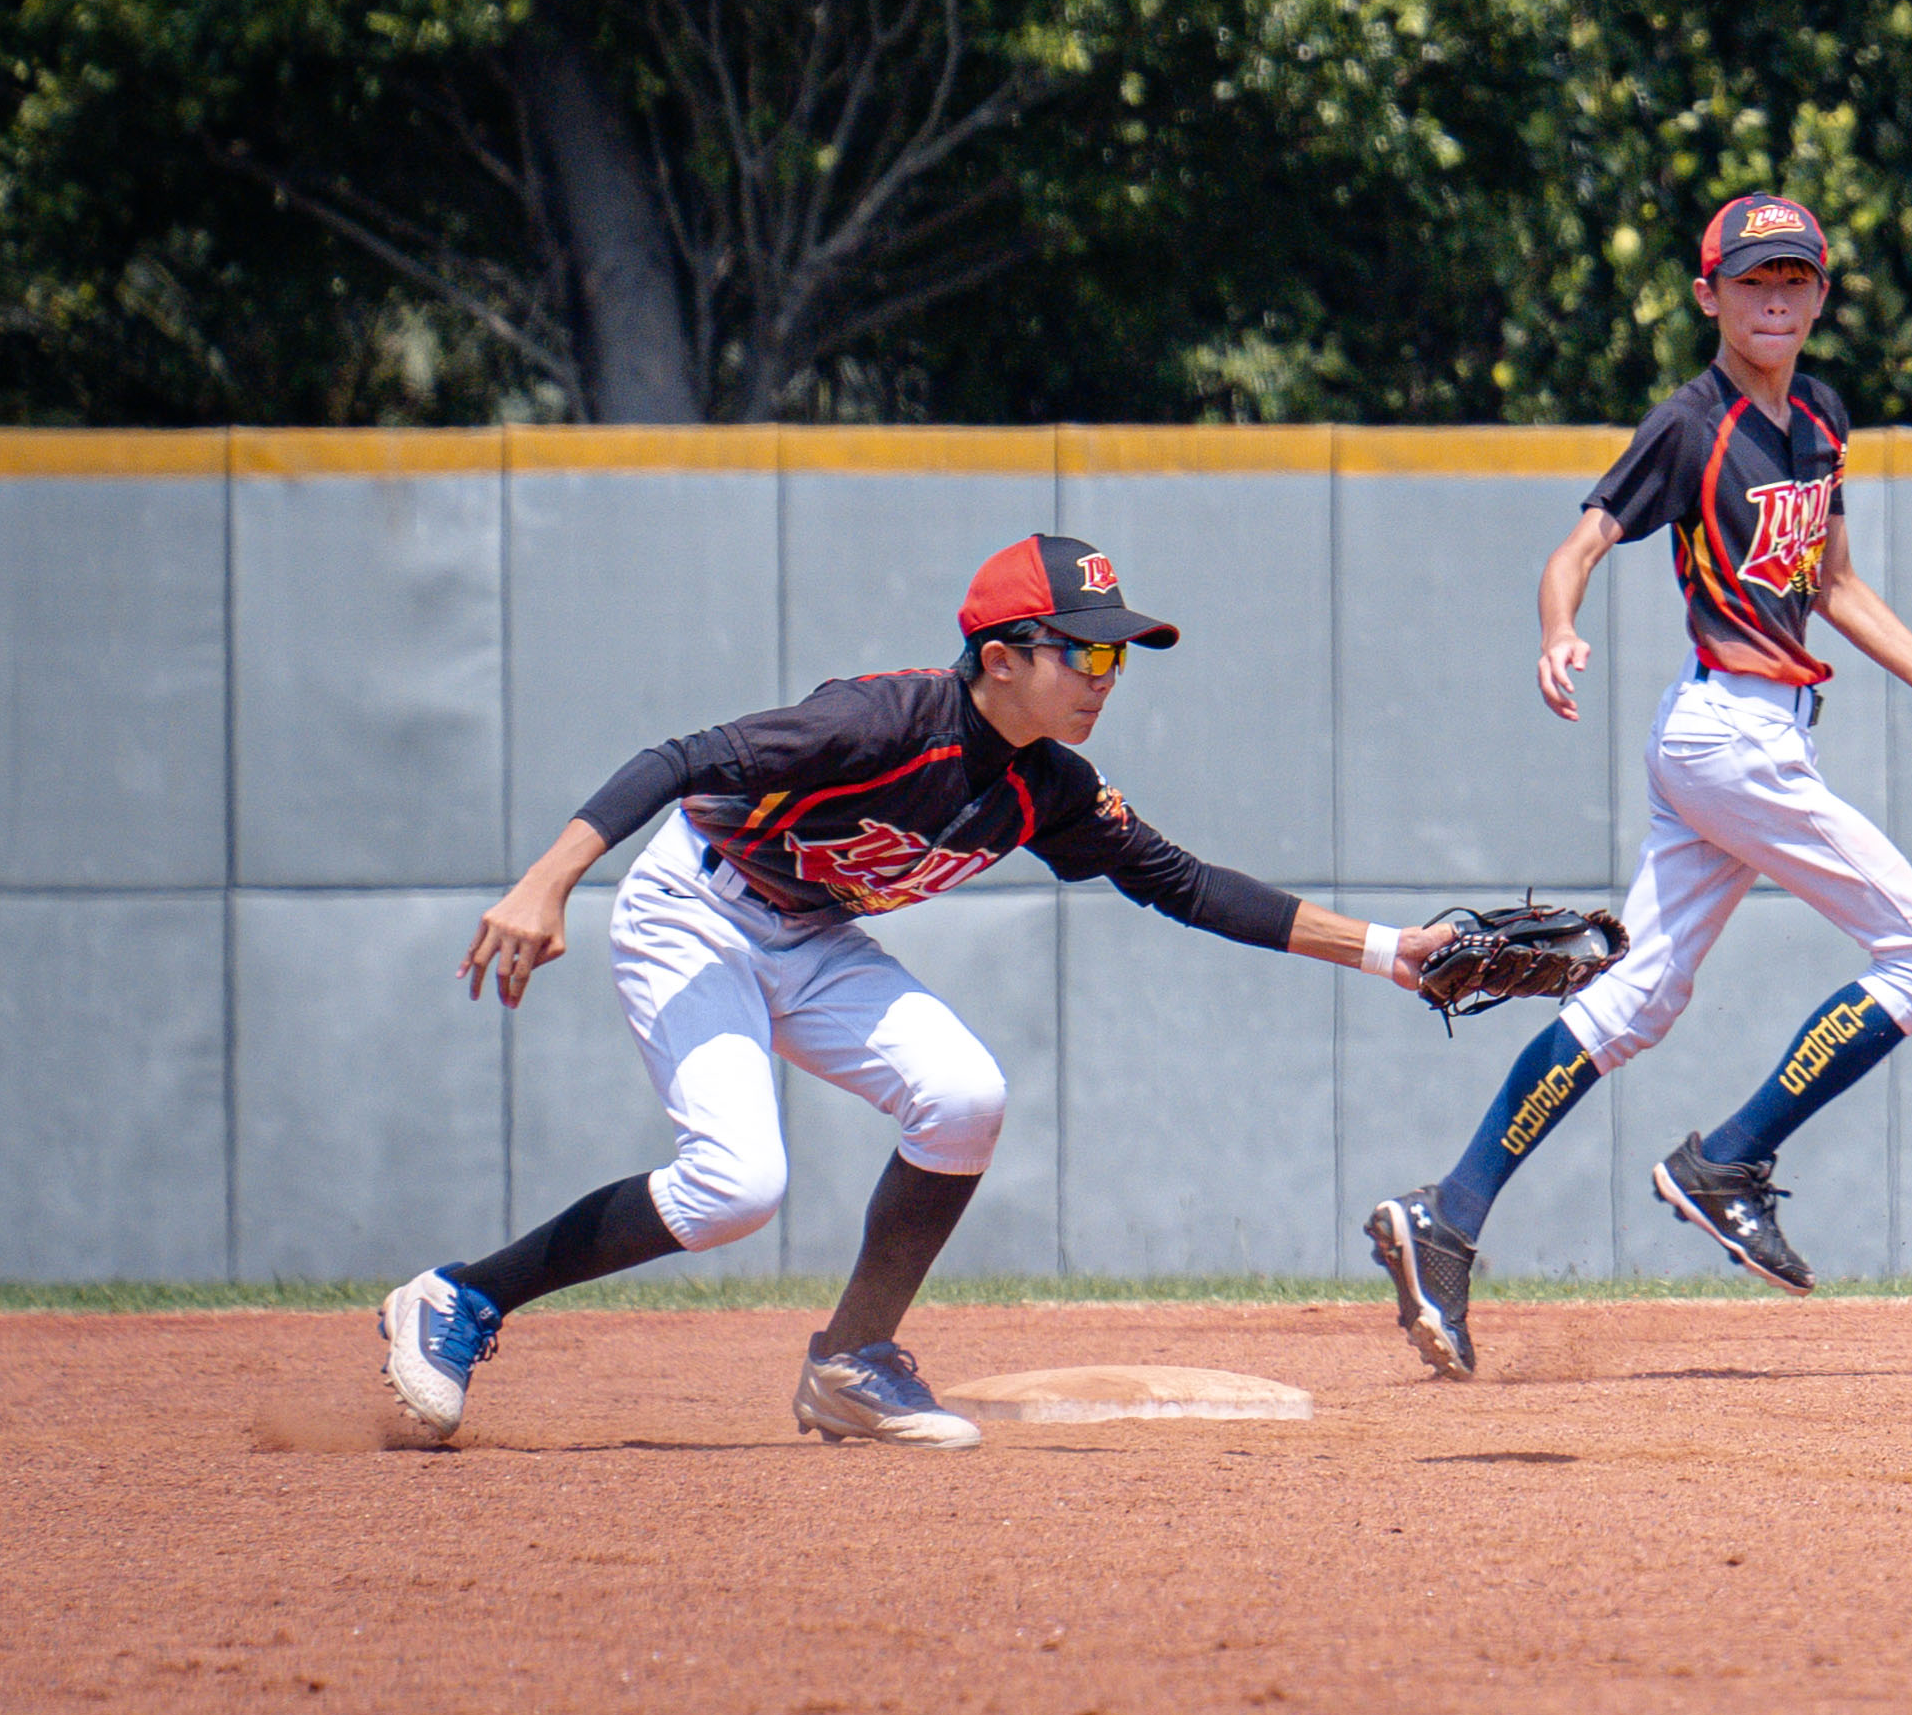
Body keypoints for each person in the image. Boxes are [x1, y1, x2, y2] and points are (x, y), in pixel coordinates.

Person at [381, 534, 1452, 1448]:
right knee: (736, 1187)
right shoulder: (880, 722)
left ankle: (850, 1361)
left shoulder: (1048, 789)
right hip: (693, 910)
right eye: (1081, 649)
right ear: (999, 657)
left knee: (965, 1097)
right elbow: (680, 759)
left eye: (1116, 654)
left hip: (806, 935)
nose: (1103, 674)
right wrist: (546, 882)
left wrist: (1392, 948)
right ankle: (463, 1295)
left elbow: (1186, 886)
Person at [1362, 194, 1912, 1379]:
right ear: (1708, 297)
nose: (1775, 297)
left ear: (1821, 293)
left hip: (1752, 738)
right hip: (1726, 735)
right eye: (1751, 281)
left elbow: (1835, 587)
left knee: (1634, 998)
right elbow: (1582, 541)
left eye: (1794, 276)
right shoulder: (1690, 424)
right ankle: (1729, 1160)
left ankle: (1449, 1212)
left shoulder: (1822, 419)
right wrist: (1557, 627)